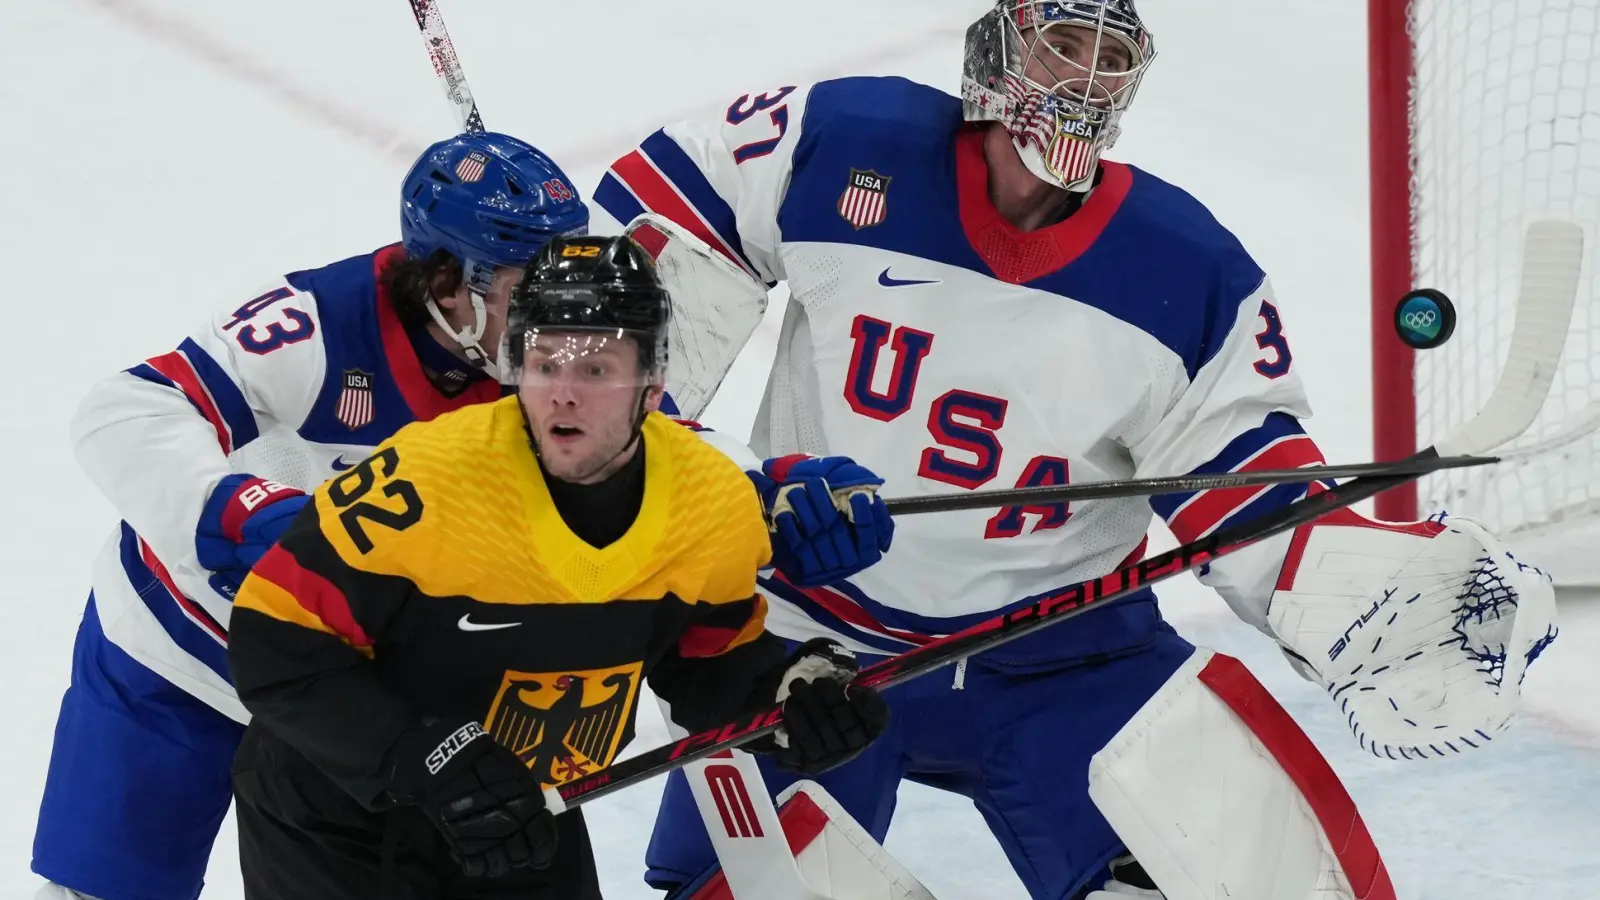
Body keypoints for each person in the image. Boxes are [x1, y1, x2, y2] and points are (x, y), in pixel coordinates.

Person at [592, 2, 1560, 898]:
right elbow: (639, 261)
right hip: (805, 645)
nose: (1086, 78)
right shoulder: (841, 140)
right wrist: (728, 483)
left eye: (1112, 57)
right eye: (1062, 43)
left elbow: (1243, 480)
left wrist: (1370, 598)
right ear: (998, 49)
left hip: (1061, 657)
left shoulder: (1186, 266)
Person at [225, 234, 893, 900]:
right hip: (340, 817)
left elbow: (706, 661)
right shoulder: (425, 481)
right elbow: (273, 640)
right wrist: (423, 754)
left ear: (653, 384)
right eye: (544, 364)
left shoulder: (711, 504)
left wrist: (788, 697)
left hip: (525, 805)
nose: (563, 395)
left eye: (596, 369)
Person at [32, 131, 589, 900]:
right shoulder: (316, 326)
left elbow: (660, 466)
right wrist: (245, 514)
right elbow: (127, 409)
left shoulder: (557, 368)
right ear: (444, 281)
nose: (557, 323)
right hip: (182, 651)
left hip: (338, 691)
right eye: (528, 294)